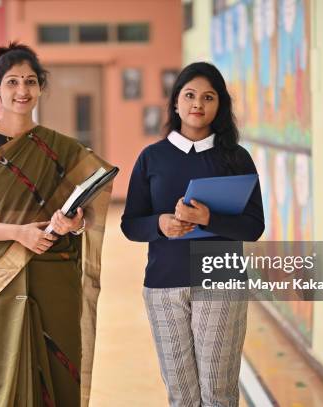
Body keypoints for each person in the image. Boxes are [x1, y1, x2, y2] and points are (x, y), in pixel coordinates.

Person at [0, 42, 113, 407]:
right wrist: (17, 233)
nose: (21, 91)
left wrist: (74, 225)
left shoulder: (63, 149)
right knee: (0, 369)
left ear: (40, 87)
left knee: (57, 366)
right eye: (11, 82)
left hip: (53, 273)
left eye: (29, 81)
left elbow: (82, 214)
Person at [121, 62, 265, 406]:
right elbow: (130, 224)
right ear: (175, 103)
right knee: (182, 396)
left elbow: (254, 227)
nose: (197, 103)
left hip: (220, 280)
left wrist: (209, 218)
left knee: (217, 393)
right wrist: (161, 224)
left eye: (208, 97)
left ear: (219, 106)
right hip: (163, 284)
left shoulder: (236, 158)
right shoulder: (151, 158)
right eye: (189, 95)